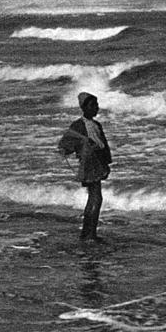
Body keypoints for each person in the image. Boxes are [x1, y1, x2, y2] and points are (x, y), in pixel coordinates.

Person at [58, 92, 112, 242]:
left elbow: (69, 143)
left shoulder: (92, 125)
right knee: (96, 198)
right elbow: (67, 142)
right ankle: (90, 235)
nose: (96, 108)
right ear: (84, 108)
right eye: (92, 105)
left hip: (94, 163)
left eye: (96, 105)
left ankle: (87, 233)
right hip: (90, 164)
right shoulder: (80, 125)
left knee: (93, 198)